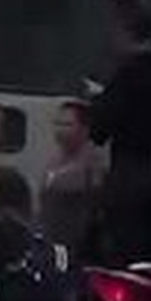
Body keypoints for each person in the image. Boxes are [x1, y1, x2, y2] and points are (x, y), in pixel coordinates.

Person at [89, 0, 151, 265]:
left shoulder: (127, 76)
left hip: (134, 186)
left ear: (123, 31)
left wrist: (98, 99)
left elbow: (98, 130)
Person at [39, 98, 105, 269]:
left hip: (78, 246)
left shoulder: (93, 161)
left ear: (84, 128)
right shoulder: (53, 160)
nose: (60, 130)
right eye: (58, 124)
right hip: (52, 240)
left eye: (68, 124)